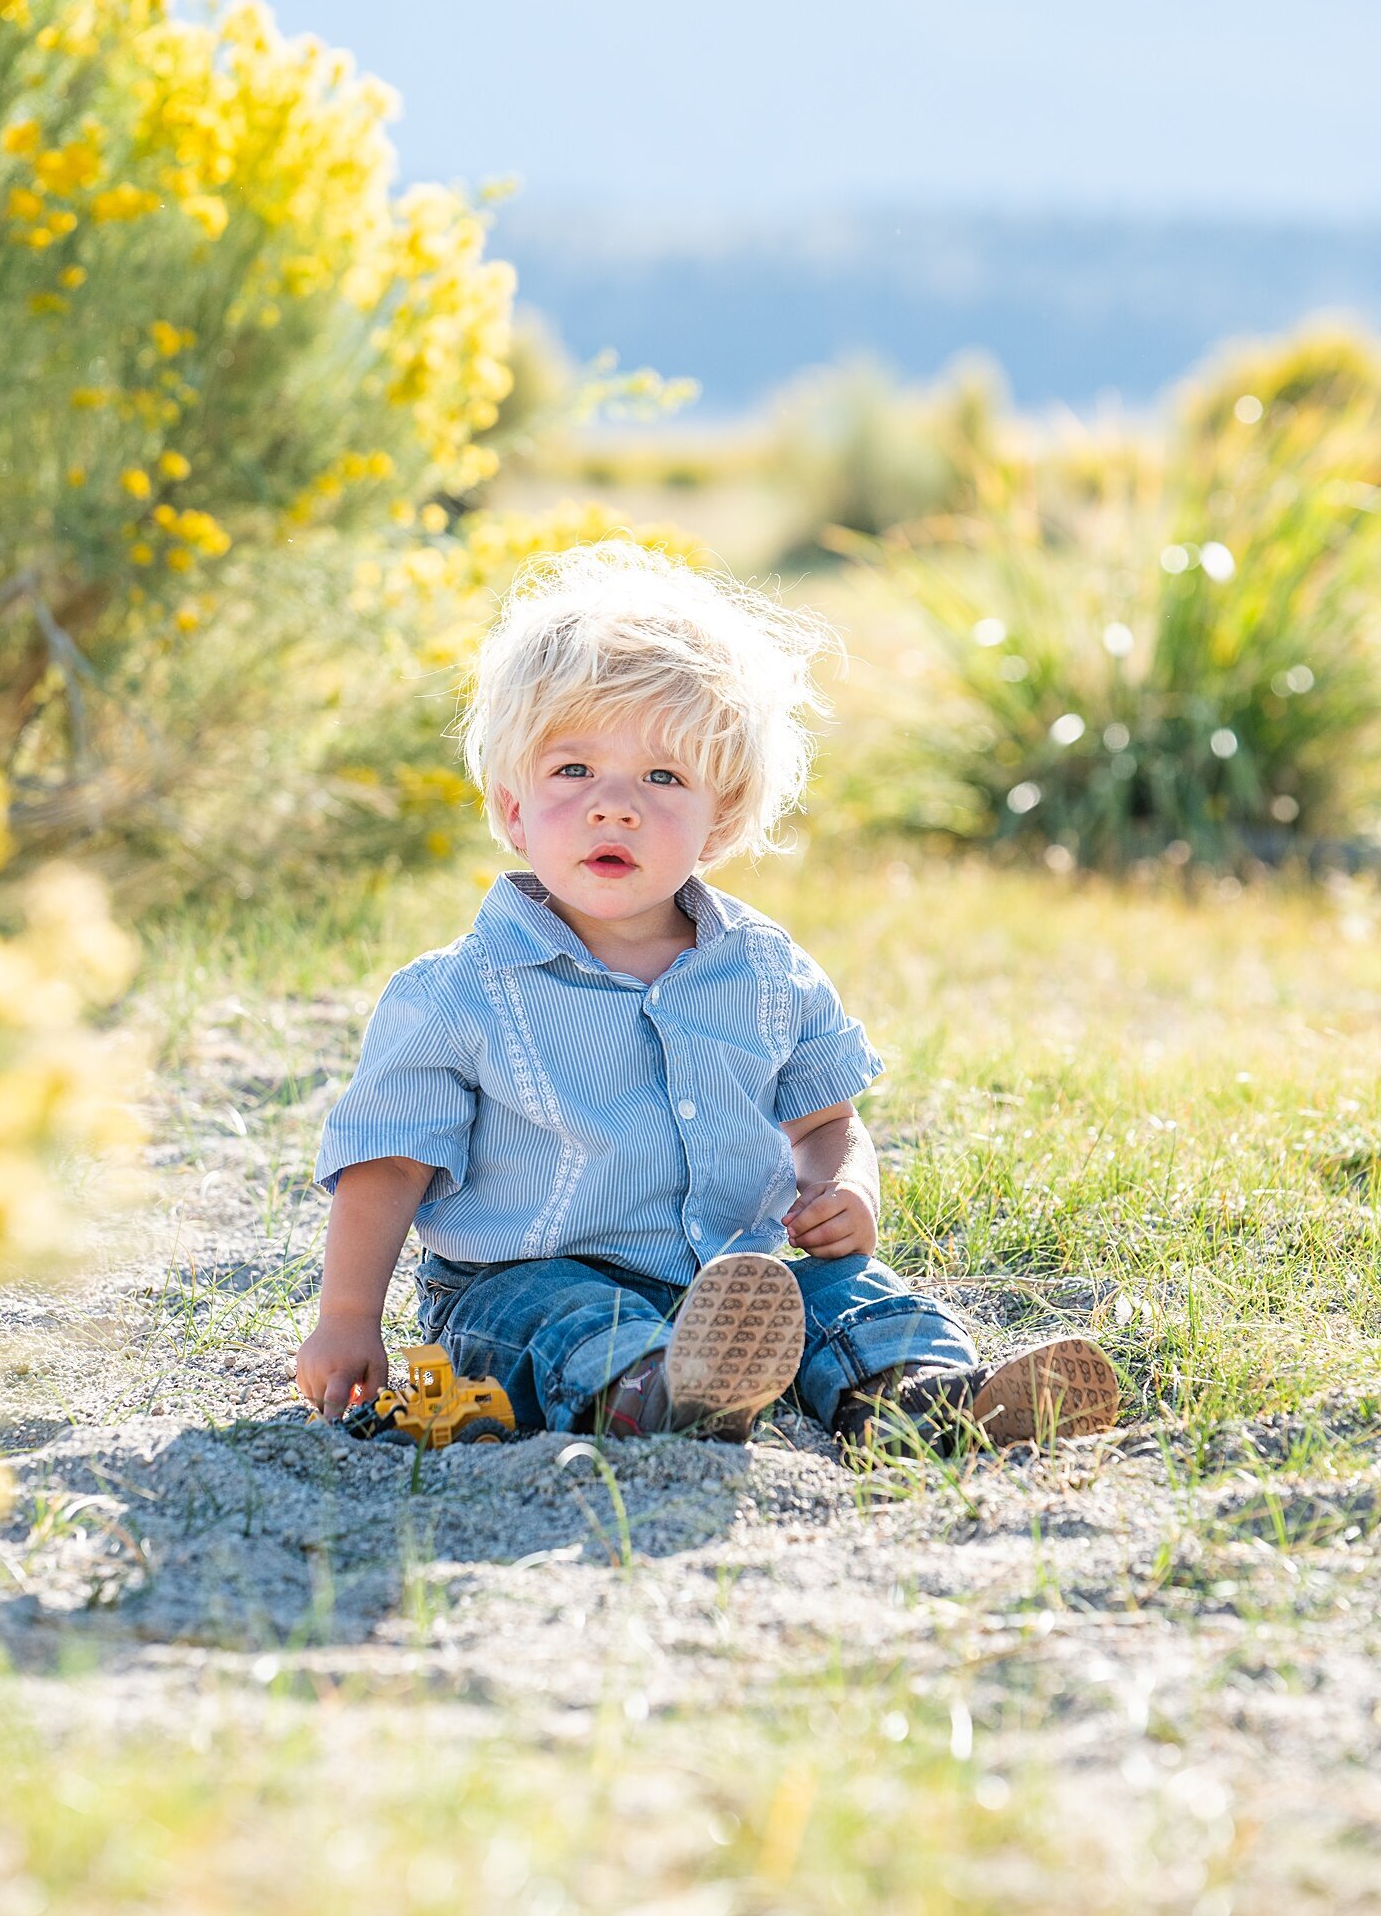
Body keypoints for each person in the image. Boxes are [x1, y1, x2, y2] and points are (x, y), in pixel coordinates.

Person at [295, 541, 1118, 1454]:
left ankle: (923, 1395)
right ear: (514, 807)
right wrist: (346, 1315)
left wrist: (843, 1186)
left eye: (663, 777)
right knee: (565, 1318)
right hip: (519, 1279)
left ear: (717, 821)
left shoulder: (764, 970)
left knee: (848, 1294)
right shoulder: (458, 993)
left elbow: (823, 1120)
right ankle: (664, 1393)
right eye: (573, 771)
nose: (616, 806)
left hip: (734, 1287)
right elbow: (389, 1164)